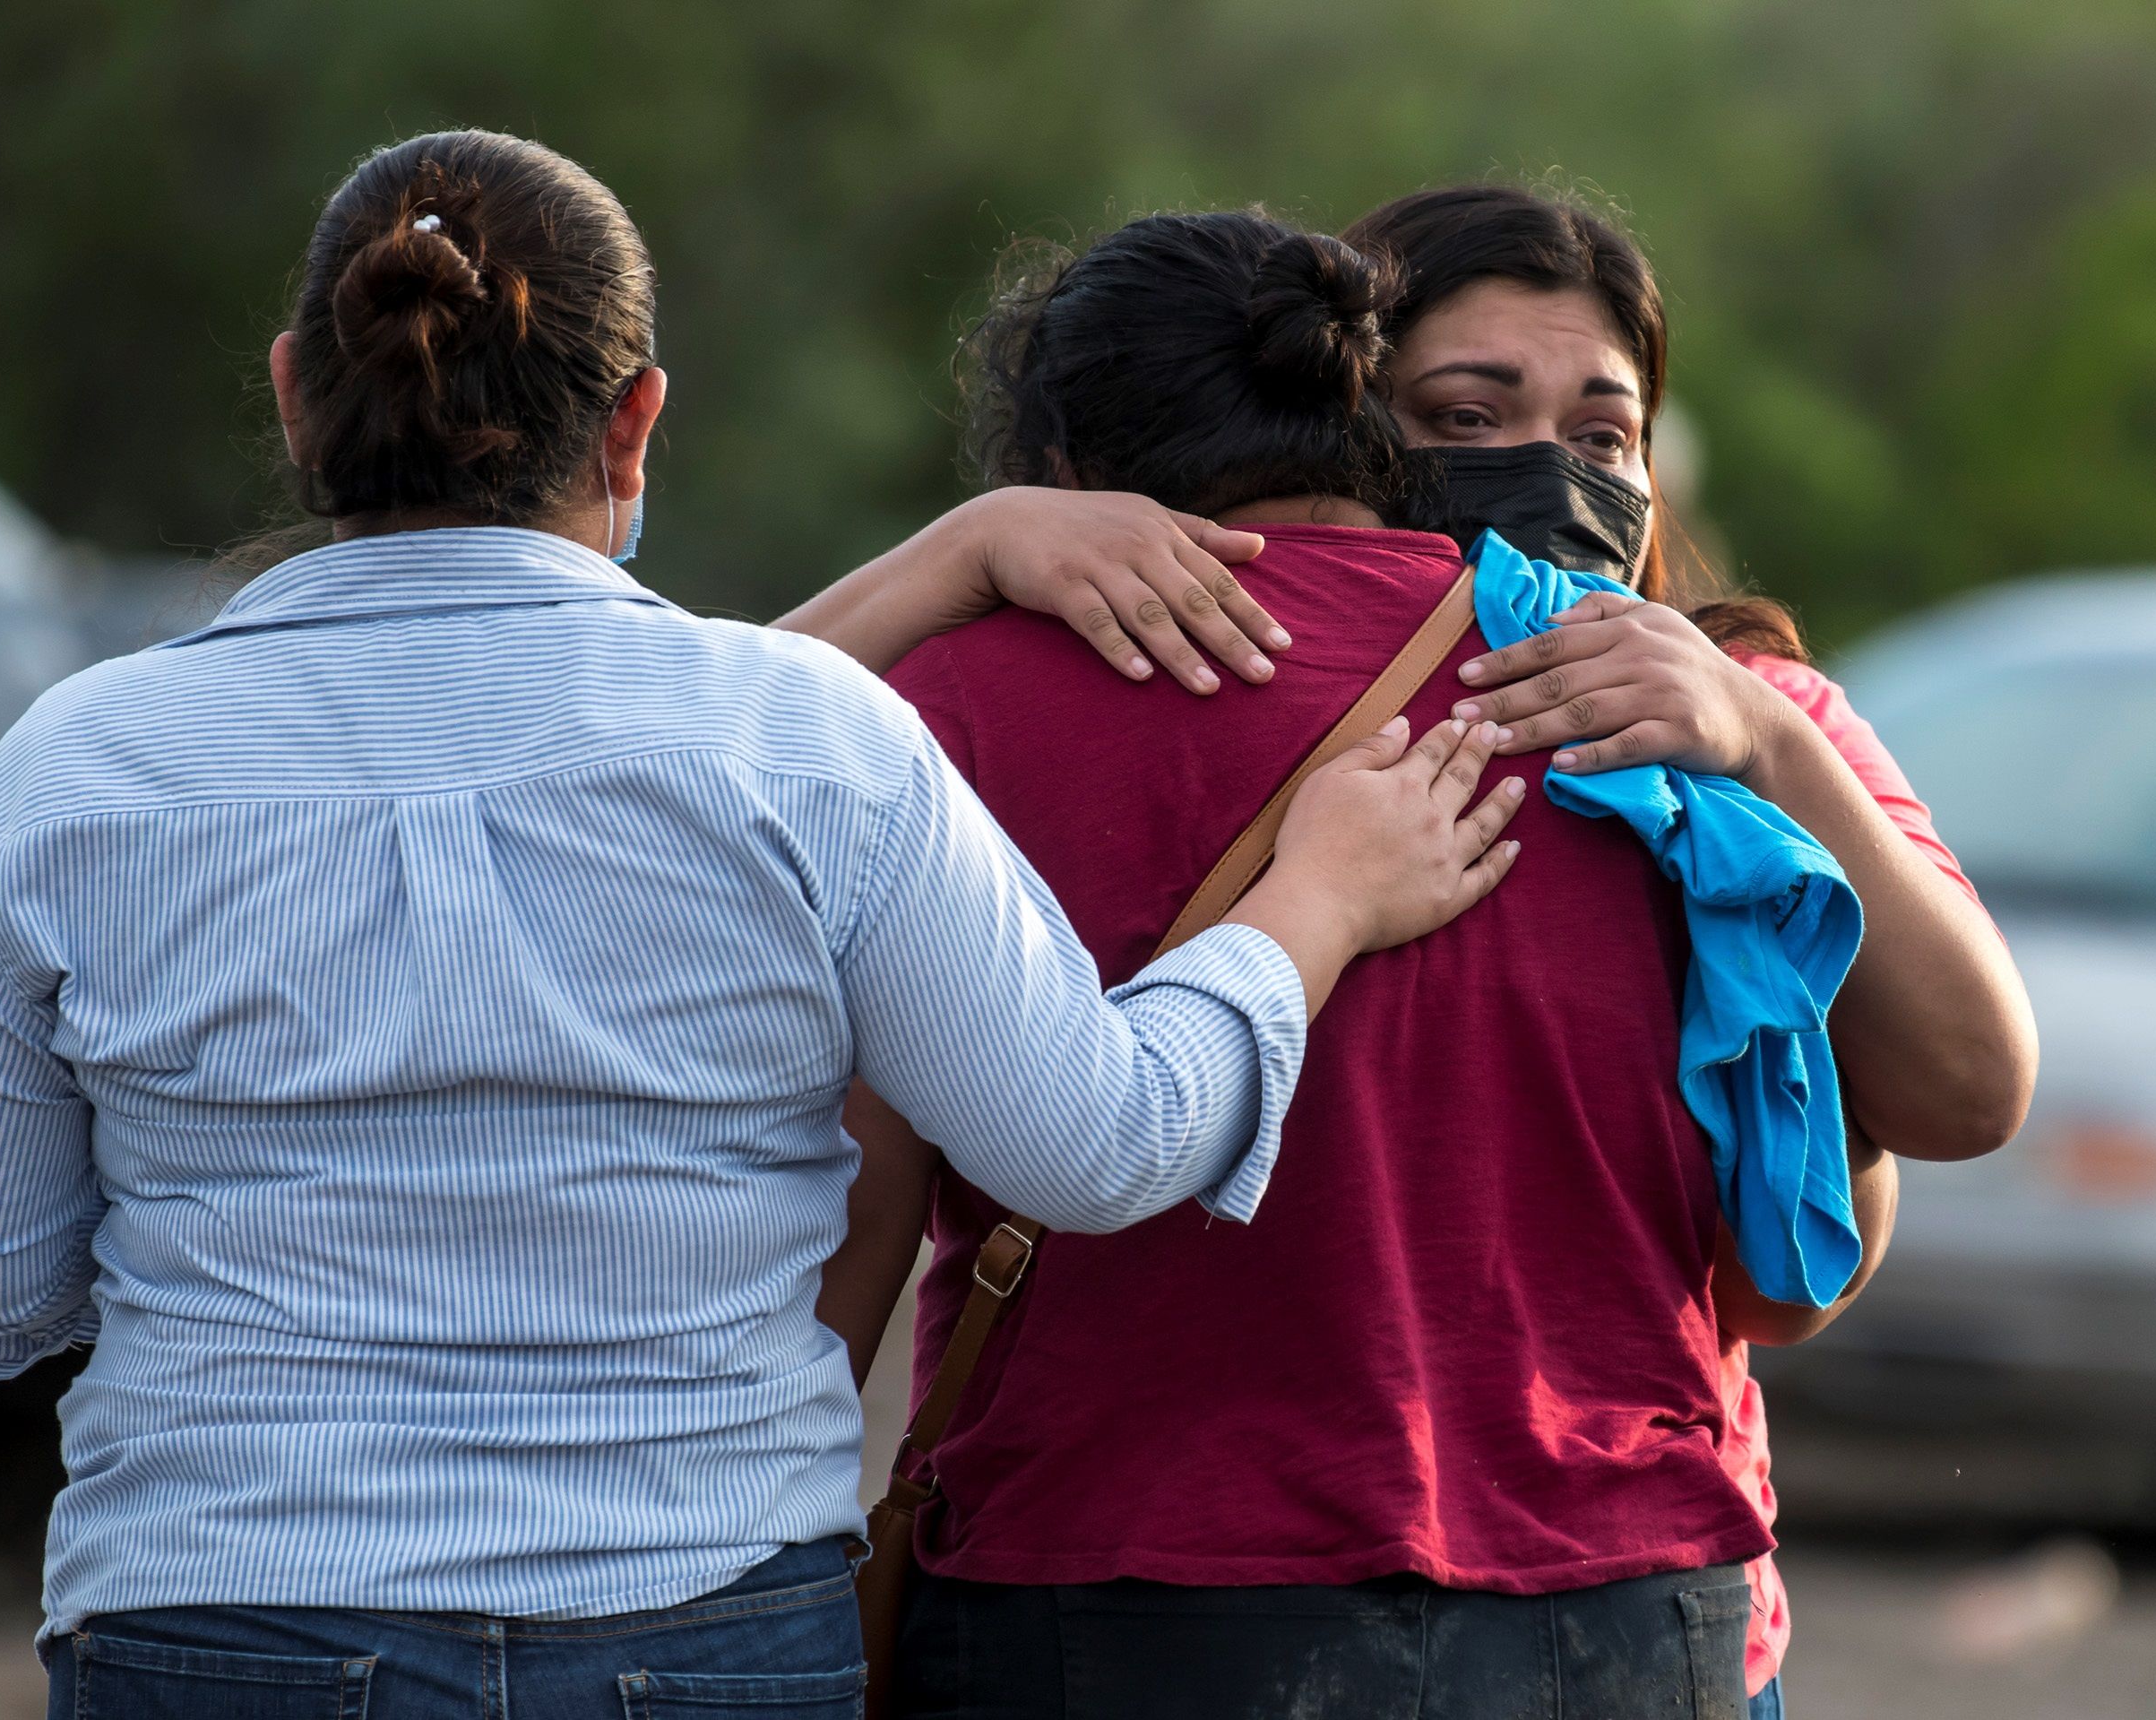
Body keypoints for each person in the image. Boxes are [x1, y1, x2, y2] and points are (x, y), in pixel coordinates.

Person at [0, 132, 1523, 1720]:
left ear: (299, 399)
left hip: (216, 1621)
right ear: (636, 423)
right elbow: (1098, 1145)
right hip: (695, 1632)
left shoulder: (74, 770)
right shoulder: (801, 740)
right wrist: (1317, 899)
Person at [811, 184, 2038, 1719]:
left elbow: (1952, 1105)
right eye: (1473, 411)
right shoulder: (1649, 758)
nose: (1550, 470)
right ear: (1353, 418)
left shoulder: (1730, 725)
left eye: (1606, 433)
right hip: (1619, 1601)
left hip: (1143, 1584)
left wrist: (1762, 741)